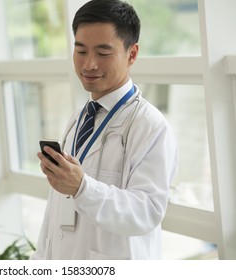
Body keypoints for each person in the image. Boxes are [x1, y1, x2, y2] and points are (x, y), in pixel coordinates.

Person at [32, 0, 178, 260]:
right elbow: (54, 212)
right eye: (81, 51)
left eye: (103, 53)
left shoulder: (150, 125)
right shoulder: (79, 118)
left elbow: (147, 211)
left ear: (132, 54)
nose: (89, 64)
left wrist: (82, 188)